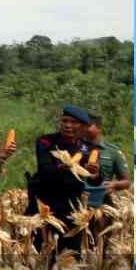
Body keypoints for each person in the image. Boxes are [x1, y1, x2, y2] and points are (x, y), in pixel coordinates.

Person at [28, 106, 101, 252]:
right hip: (45, 207)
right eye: (65, 121)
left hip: (72, 209)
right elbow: (44, 169)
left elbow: (95, 181)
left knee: (70, 253)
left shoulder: (90, 149)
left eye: (74, 122)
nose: (68, 125)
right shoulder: (46, 142)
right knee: (41, 251)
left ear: (84, 127)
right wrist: (64, 167)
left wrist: (95, 174)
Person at [85, 113, 130, 200]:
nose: (84, 129)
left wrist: (114, 184)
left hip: (102, 201)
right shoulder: (76, 147)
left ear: (99, 128)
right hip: (76, 203)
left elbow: (126, 182)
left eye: (88, 125)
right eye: (83, 125)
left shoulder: (113, 151)